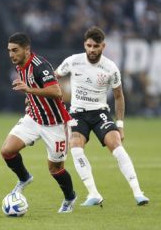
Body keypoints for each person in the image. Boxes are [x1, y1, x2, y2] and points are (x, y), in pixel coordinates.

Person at [55, 26, 149, 206]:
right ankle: (93, 194)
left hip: (100, 113)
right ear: (84, 44)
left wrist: (120, 124)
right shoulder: (73, 61)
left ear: (103, 46)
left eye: (95, 46)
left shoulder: (110, 68)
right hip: (77, 113)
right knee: (75, 146)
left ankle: (138, 192)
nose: (91, 50)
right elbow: (54, 76)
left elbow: (119, 96)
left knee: (116, 145)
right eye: (89, 46)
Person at [1, 32, 76, 213]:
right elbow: (35, 89)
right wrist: (30, 97)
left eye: (15, 50)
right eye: (9, 50)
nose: (11, 54)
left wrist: (29, 89)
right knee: (7, 151)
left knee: (55, 169)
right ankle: (24, 178)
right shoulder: (20, 64)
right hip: (34, 117)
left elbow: (57, 92)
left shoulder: (40, 66)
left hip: (55, 123)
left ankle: (70, 198)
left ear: (27, 49)